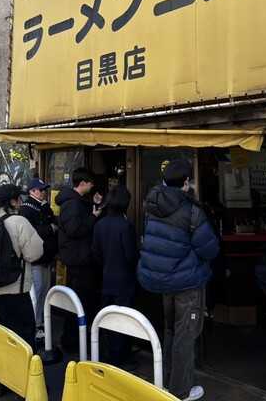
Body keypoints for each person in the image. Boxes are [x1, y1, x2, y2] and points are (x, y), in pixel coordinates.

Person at [137, 160, 220, 401]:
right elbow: (210, 249)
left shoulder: (153, 206)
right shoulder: (192, 211)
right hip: (187, 284)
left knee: (171, 330)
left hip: (164, 282)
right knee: (185, 336)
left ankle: (166, 382)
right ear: (186, 181)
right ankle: (180, 392)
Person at [0, 183, 43, 397]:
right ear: (14, 201)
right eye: (19, 199)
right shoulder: (19, 222)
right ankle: (25, 385)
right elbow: (35, 253)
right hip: (14, 293)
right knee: (23, 338)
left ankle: (0, 382)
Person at [55, 166, 103, 353]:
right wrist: (93, 217)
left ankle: (77, 339)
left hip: (79, 258)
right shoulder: (72, 203)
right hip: (78, 260)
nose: (92, 186)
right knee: (77, 302)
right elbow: (75, 229)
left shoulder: (76, 201)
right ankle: (71, 341)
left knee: (80, 300)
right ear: (83, 183)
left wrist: (94, 204)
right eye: (90, 183)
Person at [92, 184, 139, 370]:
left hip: (106, 279)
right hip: (124, 281)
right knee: (123, 320)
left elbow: (96, 253)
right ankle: (119, 358)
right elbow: (130, 256)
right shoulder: (126, 227)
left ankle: (107, 354)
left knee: (107, 319)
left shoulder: (100, 224)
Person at [19, 177, 58, 341]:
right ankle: (34, 325)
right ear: (31, 191)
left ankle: (40, 322)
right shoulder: (27, 208)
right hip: (34, 258)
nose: (43, 193)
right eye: (40, 190)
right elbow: (30, 231)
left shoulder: (42, 206)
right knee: (36, 292)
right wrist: (50, 228)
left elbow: (53, 220)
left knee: (44, 292)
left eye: (44, 190)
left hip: (46, 257)